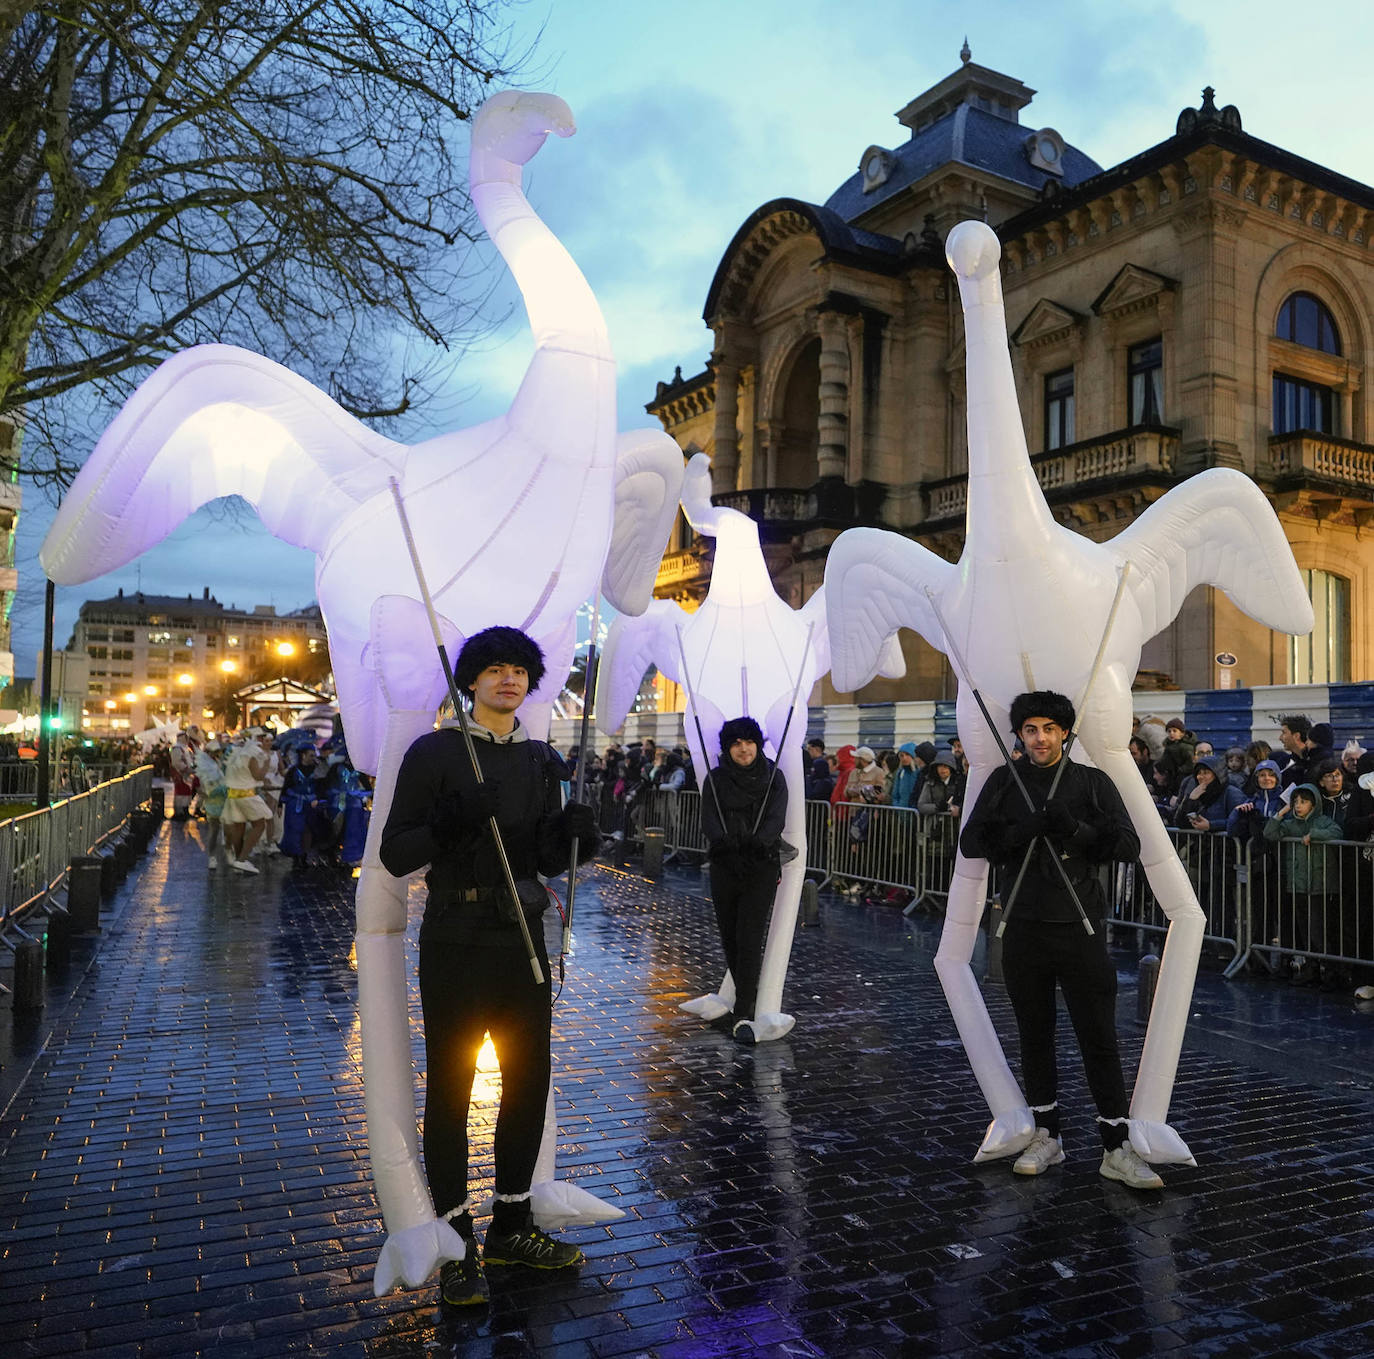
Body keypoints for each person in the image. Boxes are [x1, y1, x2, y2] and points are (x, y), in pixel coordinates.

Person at [379, 625, 598, 1308]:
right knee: (452, 1086)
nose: (509, 678)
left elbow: (536, 855)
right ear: (470, 680)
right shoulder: (436, 752)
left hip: (522, 937)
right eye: (494, 668)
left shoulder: (539, 760)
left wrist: (574, 840)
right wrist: (450, 820)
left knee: (529, 1082)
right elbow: (395, 852)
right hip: (456, 938)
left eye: (519, 669)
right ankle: (453, 1243)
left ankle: (510, 1225)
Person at [959, 690, 1161, 1190]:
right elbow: (971, 842)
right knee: (1034, 1035)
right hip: (1023, 928)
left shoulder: (1091, 782)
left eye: (1049, 728)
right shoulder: (1005, 782)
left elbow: (1128, 846)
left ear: (1065, 732)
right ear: (1020, 735)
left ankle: (1116, 1146)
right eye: (1030, 729)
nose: (1040, 738)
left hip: (1081, 929)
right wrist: (1023, 831)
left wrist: (1074, 828)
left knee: (1099, 1038)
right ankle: (1046, 1133)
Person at [700, 716, 788, 1045]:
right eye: (736, 743)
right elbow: (709, 817)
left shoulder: (773, 777)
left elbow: (776, 818)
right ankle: (744, 993)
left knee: (749, 936)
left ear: (757, 744)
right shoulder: (716, 779)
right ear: (728, 748)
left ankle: (746, 1006)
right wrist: (724, 845)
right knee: (730, 937)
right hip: (725, 865)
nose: (743, 748)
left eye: (748, 741)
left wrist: (757, 843)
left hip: (759, 865)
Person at [221, 728, 274, 873]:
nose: (263, 741)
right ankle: (242, 859)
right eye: (262, 738)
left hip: (233, 796)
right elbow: (258, 776)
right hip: (247, 795)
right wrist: (267, 764)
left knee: (239, 827)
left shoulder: (235, 752)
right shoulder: (251, 754)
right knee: (260, 825)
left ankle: (239, 862)